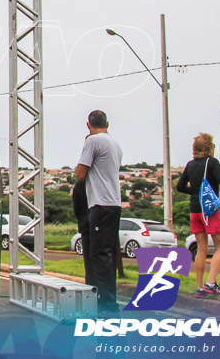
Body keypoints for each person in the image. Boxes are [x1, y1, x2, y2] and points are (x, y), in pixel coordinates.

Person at [176, 133, 220, 297]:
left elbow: (180, 187)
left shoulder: (190, 165)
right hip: (210, 210)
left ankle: (199, 287)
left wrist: (195, 192)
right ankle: (211, 283)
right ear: (210, 147)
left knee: (201, 249)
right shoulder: (211, 163)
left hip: (195, 210)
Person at [74, 109, 123, 314]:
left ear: (88, 125)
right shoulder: (115, 144)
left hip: (100, 203)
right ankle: (106, 297)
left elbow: (80, 173)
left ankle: (107, 302)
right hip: (114, 203)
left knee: (98, 254)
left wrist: (87, 143)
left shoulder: (93, 142)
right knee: (108, 252)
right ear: (107, 123)